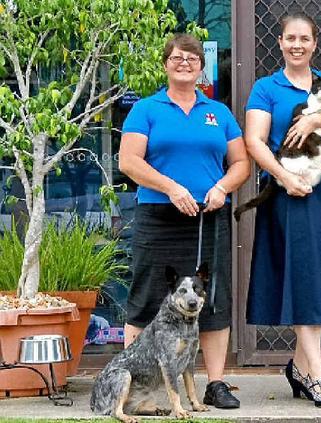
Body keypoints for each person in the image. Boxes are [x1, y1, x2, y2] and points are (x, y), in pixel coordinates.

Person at [118, 33, 250, 409]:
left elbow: (240, 163)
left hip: (208, 217)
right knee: (146, 299)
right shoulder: (146, 109)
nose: (184, 63)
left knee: (212, 302)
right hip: (158, 217)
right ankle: (139, 386)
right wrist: (171, 187)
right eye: (177, 57)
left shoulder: (218, 113)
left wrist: (223, 187)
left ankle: (217, 384)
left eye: (192, 58)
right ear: (165, 64)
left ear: (200, 66)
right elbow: (129, 162)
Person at [244, 12, 321, 408]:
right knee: (304, 277)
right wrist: (282, 177)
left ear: (314, 44)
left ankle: (299, 366)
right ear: (279, 42)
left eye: (304, 39)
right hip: (292, 187)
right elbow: (255, 141)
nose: (297, 45)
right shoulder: (266, 88)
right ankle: (317, 373)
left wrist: (316, 117)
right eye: (290, 38)